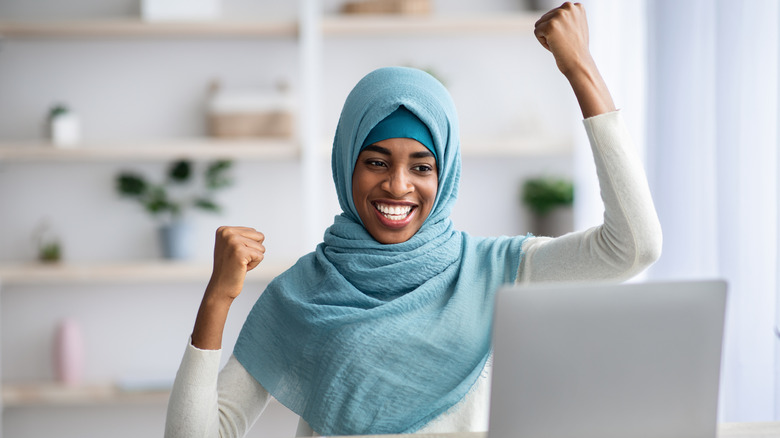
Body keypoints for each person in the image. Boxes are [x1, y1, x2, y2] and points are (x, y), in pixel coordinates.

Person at [164, 3, 662, 437]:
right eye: (376, 161)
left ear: (444, 176)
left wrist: (581, 69)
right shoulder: (299, 294)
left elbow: (632, 248)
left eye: (421, 167)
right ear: (346, 165)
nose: (398, 186)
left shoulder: (493, 270)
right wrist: (218, 297)